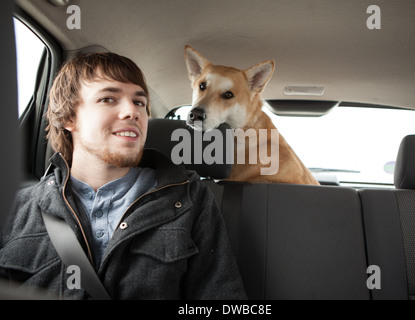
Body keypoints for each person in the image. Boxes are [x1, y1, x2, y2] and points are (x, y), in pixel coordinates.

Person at [0, 52, 247, 300]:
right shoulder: (15, 209)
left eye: (139, 102)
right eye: (108, 99)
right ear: (67, 117)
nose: (133, 111)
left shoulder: (188, 198)